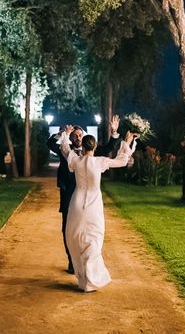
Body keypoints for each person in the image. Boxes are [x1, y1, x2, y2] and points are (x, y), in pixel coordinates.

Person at [59, 125, 136, 292]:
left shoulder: (75, 160)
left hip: (77, 202)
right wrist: (126, 143)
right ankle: (91, 278)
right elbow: (122, 161)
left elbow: (65, 149)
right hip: (93, 203)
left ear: (84, 146)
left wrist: (66, 134)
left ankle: (82, 277)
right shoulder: (100, 161)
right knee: (94, 238)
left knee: (76, 235)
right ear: (93, 147)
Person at [46, 116, 122, 274]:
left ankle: (87, 260)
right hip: (69, 194)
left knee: (89, 229)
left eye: (80, 135)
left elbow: (109, 147)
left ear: (84, 137)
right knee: (68, 228)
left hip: (89, 198)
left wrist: (114, 132)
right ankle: (72, 261)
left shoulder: (92, 152)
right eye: (75, 135)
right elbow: (50, 144)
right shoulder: (65, 151)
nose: (78, 137)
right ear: (71, 138)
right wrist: (62, 133)